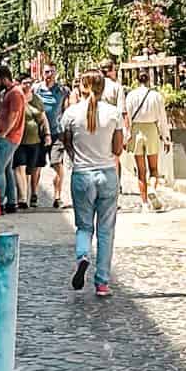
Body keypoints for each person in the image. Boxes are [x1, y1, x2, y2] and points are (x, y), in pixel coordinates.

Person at [62, 70, 125, 299]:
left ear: (82, 87)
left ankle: (82, 256)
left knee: (84, 226)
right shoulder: (113, 113)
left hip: (82, 174)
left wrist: (77, 155)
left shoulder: (71, 113)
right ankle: (102, 283)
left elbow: (66, 142)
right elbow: (118, 149)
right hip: (107, 173)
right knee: (106, 230)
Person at [123, 69, 169, 210]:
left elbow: (127, 117)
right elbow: (162, 118)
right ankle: (153, 189)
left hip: (136, 131)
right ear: (149, 79)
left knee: (141, 171)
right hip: (152, 130)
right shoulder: (156, 96)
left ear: (137, 80)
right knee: (154, 168)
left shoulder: (131, 95)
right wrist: (166, 137)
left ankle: (144, 204)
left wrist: (127, 136)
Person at [0, 63, 28, 213]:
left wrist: (4, 133)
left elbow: (14, 115)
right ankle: (12, 202)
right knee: (7, 170)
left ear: (4, 78)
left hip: (9, 137)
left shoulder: (14, 93)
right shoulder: (10, 92)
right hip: (9, 136)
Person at [14, 85, 51, 209]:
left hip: (35, 140)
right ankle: (22, 198)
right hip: (19, 140)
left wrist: (47, 134)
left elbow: (43, 119)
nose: (26, 85)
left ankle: (31, 194)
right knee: (20, 168)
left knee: (30, 170)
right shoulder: (16, 98)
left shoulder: (36, 100)